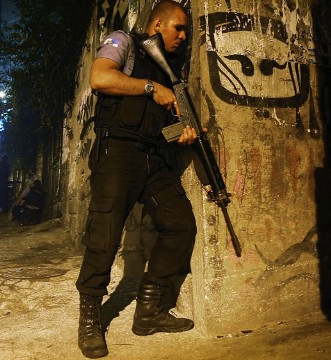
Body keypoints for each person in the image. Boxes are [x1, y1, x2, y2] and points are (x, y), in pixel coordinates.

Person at [75, 2, 213, 358]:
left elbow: (156, 128)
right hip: (117, 154)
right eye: (178, 28)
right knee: (104, 237)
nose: (183, 36)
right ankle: (90, 318)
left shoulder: (170, 70)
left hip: (153, 158)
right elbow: (100, 77)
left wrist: (181, 135)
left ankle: (149, 310)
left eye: (185, 31)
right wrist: (151, 87)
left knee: (181, 225)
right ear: (157, 24)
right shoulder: (123, 42)